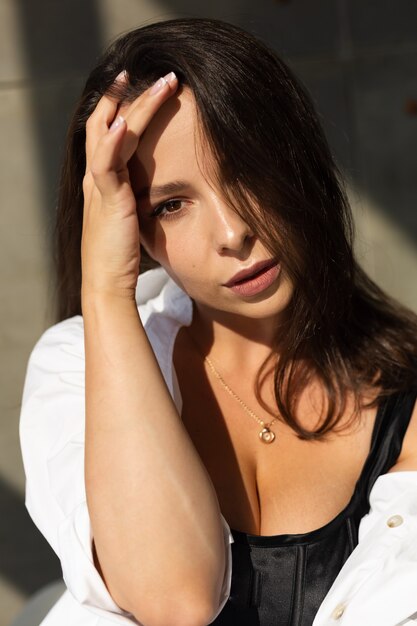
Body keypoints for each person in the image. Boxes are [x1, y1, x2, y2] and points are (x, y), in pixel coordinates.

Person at [20, 17, 417, 626]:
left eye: (246, 172)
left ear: (299, 159)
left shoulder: (404, 394)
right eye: (171, 205)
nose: (233, 234)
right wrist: (105, 290)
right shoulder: (77, 365)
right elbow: (176, 600)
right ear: (134, 229)